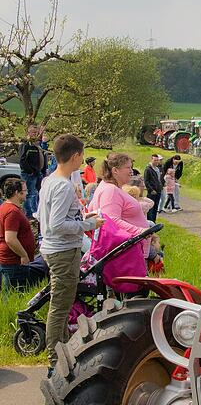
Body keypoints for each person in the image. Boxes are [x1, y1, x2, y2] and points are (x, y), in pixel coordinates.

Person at [37, 134, 104, 375]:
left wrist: (81, 218)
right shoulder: (64, 186)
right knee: (60, 308)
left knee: (62, 305)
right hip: (63, 251)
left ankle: (63, 353)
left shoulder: (49, 181)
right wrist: (89, 225)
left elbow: (49, 219)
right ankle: (55, 362)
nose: (82, 160)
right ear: (75, 156)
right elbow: (56, 225)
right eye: (82, 156)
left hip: (55, 249)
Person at [90, 153, 153, 261]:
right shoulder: (111, 190)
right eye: (128, 167)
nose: (131, 171)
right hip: (125, 253)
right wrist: (139, 231)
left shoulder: (109, 187)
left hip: (130, 251)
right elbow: (110, 220)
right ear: (115, 170)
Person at [0, 178, 43, 290]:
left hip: (12, 260)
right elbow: (10, 238)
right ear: (16, 193)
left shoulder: (6, 207)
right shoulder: (12, 212)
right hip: (14, 262)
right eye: (25, 190)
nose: (27, 192)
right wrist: (23, 255)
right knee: (16, 292)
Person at [18, 125, 46, 218]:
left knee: (38, 193)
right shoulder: (25, 145)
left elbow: (43, 157)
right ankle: (29, 214)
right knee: (29, 194)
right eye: (33, 132)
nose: (35, 134)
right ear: (28, 133)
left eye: (36, 133)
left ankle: (36, 212)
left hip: (39, 173)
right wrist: (30, 171)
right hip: (30, 174)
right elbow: (22, 160)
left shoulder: (37, 145)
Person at [143, 154, 163, 222]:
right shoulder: (148, 169)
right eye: (155, 160)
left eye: (157, 160)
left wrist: (160, 187)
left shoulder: (157, 168)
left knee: (155, 207)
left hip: (158, 190)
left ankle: (154, 222)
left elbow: (159, 179)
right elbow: (146, 181)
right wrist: (151, 189)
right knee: (150, 207)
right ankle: (150, 222)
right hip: (152, 191)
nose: (156, 162)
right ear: (151, 160)